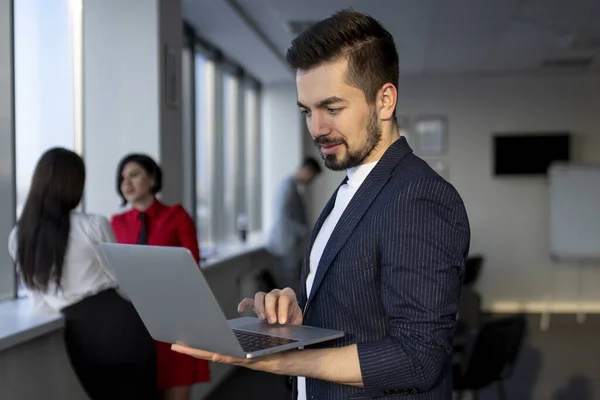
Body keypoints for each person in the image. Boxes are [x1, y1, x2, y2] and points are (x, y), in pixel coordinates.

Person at [171, 9, 470, 400]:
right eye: (307, 111)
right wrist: (297, 314)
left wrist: (278, 361)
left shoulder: (419, 197)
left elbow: (418, 356)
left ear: (384, 100)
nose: (316, 129)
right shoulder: (350, 189)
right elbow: (356, 306)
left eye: (332, 108)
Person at [8, 148, 157, 400]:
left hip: (79, 337)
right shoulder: (92, 224)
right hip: (120, 325)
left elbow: (39, 300)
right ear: (74, 184)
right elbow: (124, 283)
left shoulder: (18, 237)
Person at [110, 153, 210, 400]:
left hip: (176, 321)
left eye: (134, 175)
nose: (127, 183)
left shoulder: (176, 216)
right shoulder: (116, 223)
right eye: (122, 178)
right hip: (134, 322)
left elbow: (192, 268)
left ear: (152, 177)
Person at [267, 157, 322, 293]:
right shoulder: (287, 188)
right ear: (308, 171)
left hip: (290, 246)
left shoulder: (293, 187)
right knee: (289, 288)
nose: (311, 181)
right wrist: (303, 231)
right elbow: (283, 217)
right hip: (286, 246)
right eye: (313, 177)